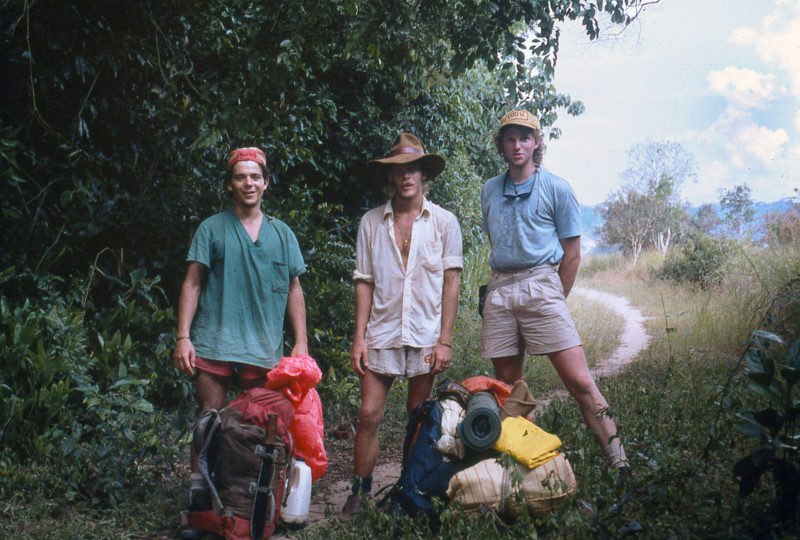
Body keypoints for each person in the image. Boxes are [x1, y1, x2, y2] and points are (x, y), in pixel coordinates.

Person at [480, 110, 628, 472]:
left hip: (542, 282)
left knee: (579, 381)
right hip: (500, 288)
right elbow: (497, 239)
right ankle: (524, 470)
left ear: (537, 143)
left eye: (524, 138)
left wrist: (552, 299)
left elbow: (572, 254)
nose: (517, 146)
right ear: (501, 145)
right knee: (507, 388)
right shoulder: (489, 190)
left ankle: (619, 461)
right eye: (510, 139)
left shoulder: (557, 188)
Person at [173, 147, 308, 509]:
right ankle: (201, 495)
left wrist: (301, 342)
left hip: (262, 347)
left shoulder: (282, 234)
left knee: (258, 425)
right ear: (229, 185)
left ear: (266, 183)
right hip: (215, 340)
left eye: (255, 177)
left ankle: (248, 498)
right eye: (240, 177)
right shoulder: (212, 228)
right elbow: (192, 283)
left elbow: (294, 288)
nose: (248, 183)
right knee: (209, 421)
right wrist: (183, 337)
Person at [341, 133, 463, 518]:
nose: (407, 176)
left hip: (425, 334)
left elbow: (451, 283)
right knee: (368, 414)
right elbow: (364, 282)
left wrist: (445, 341)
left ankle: (410, 494)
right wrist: (359, 338)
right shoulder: (371, 222)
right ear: (390, 177)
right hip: (381, 332)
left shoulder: (444, 222)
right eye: (399, 170)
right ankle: (359, 493)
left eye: (413, 169)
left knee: (419, 418)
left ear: (424, 174)